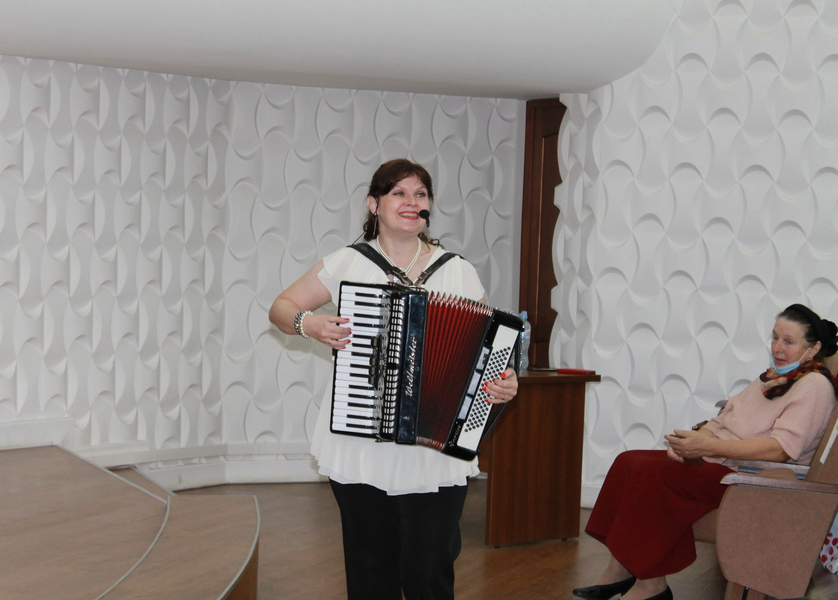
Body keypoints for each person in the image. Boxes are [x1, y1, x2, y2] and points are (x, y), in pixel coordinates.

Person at [269, 158, 519, 600]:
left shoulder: (457, 270)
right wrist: (312, 324)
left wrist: (505, 381)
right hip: (360, 443)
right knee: (370, 570)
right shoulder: (349, 262)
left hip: (433, 451)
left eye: (420, 194)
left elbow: (489, 349)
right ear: (374, 204)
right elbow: (281, 308)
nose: (411, 201)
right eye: (398, 193)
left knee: (430, 572)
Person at [573, 304, 838, 600]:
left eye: (788, 341)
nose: (777, 347)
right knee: (629, 461)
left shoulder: (814, 386)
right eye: (775, 337)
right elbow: (723, 419)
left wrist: (707, 447)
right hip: (721, 462)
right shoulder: (771, 378)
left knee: (651, 474)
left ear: (813, 349)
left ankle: (650, 586)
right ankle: (620, 568)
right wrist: (695, 442)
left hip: (752, 480)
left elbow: (780, 450)